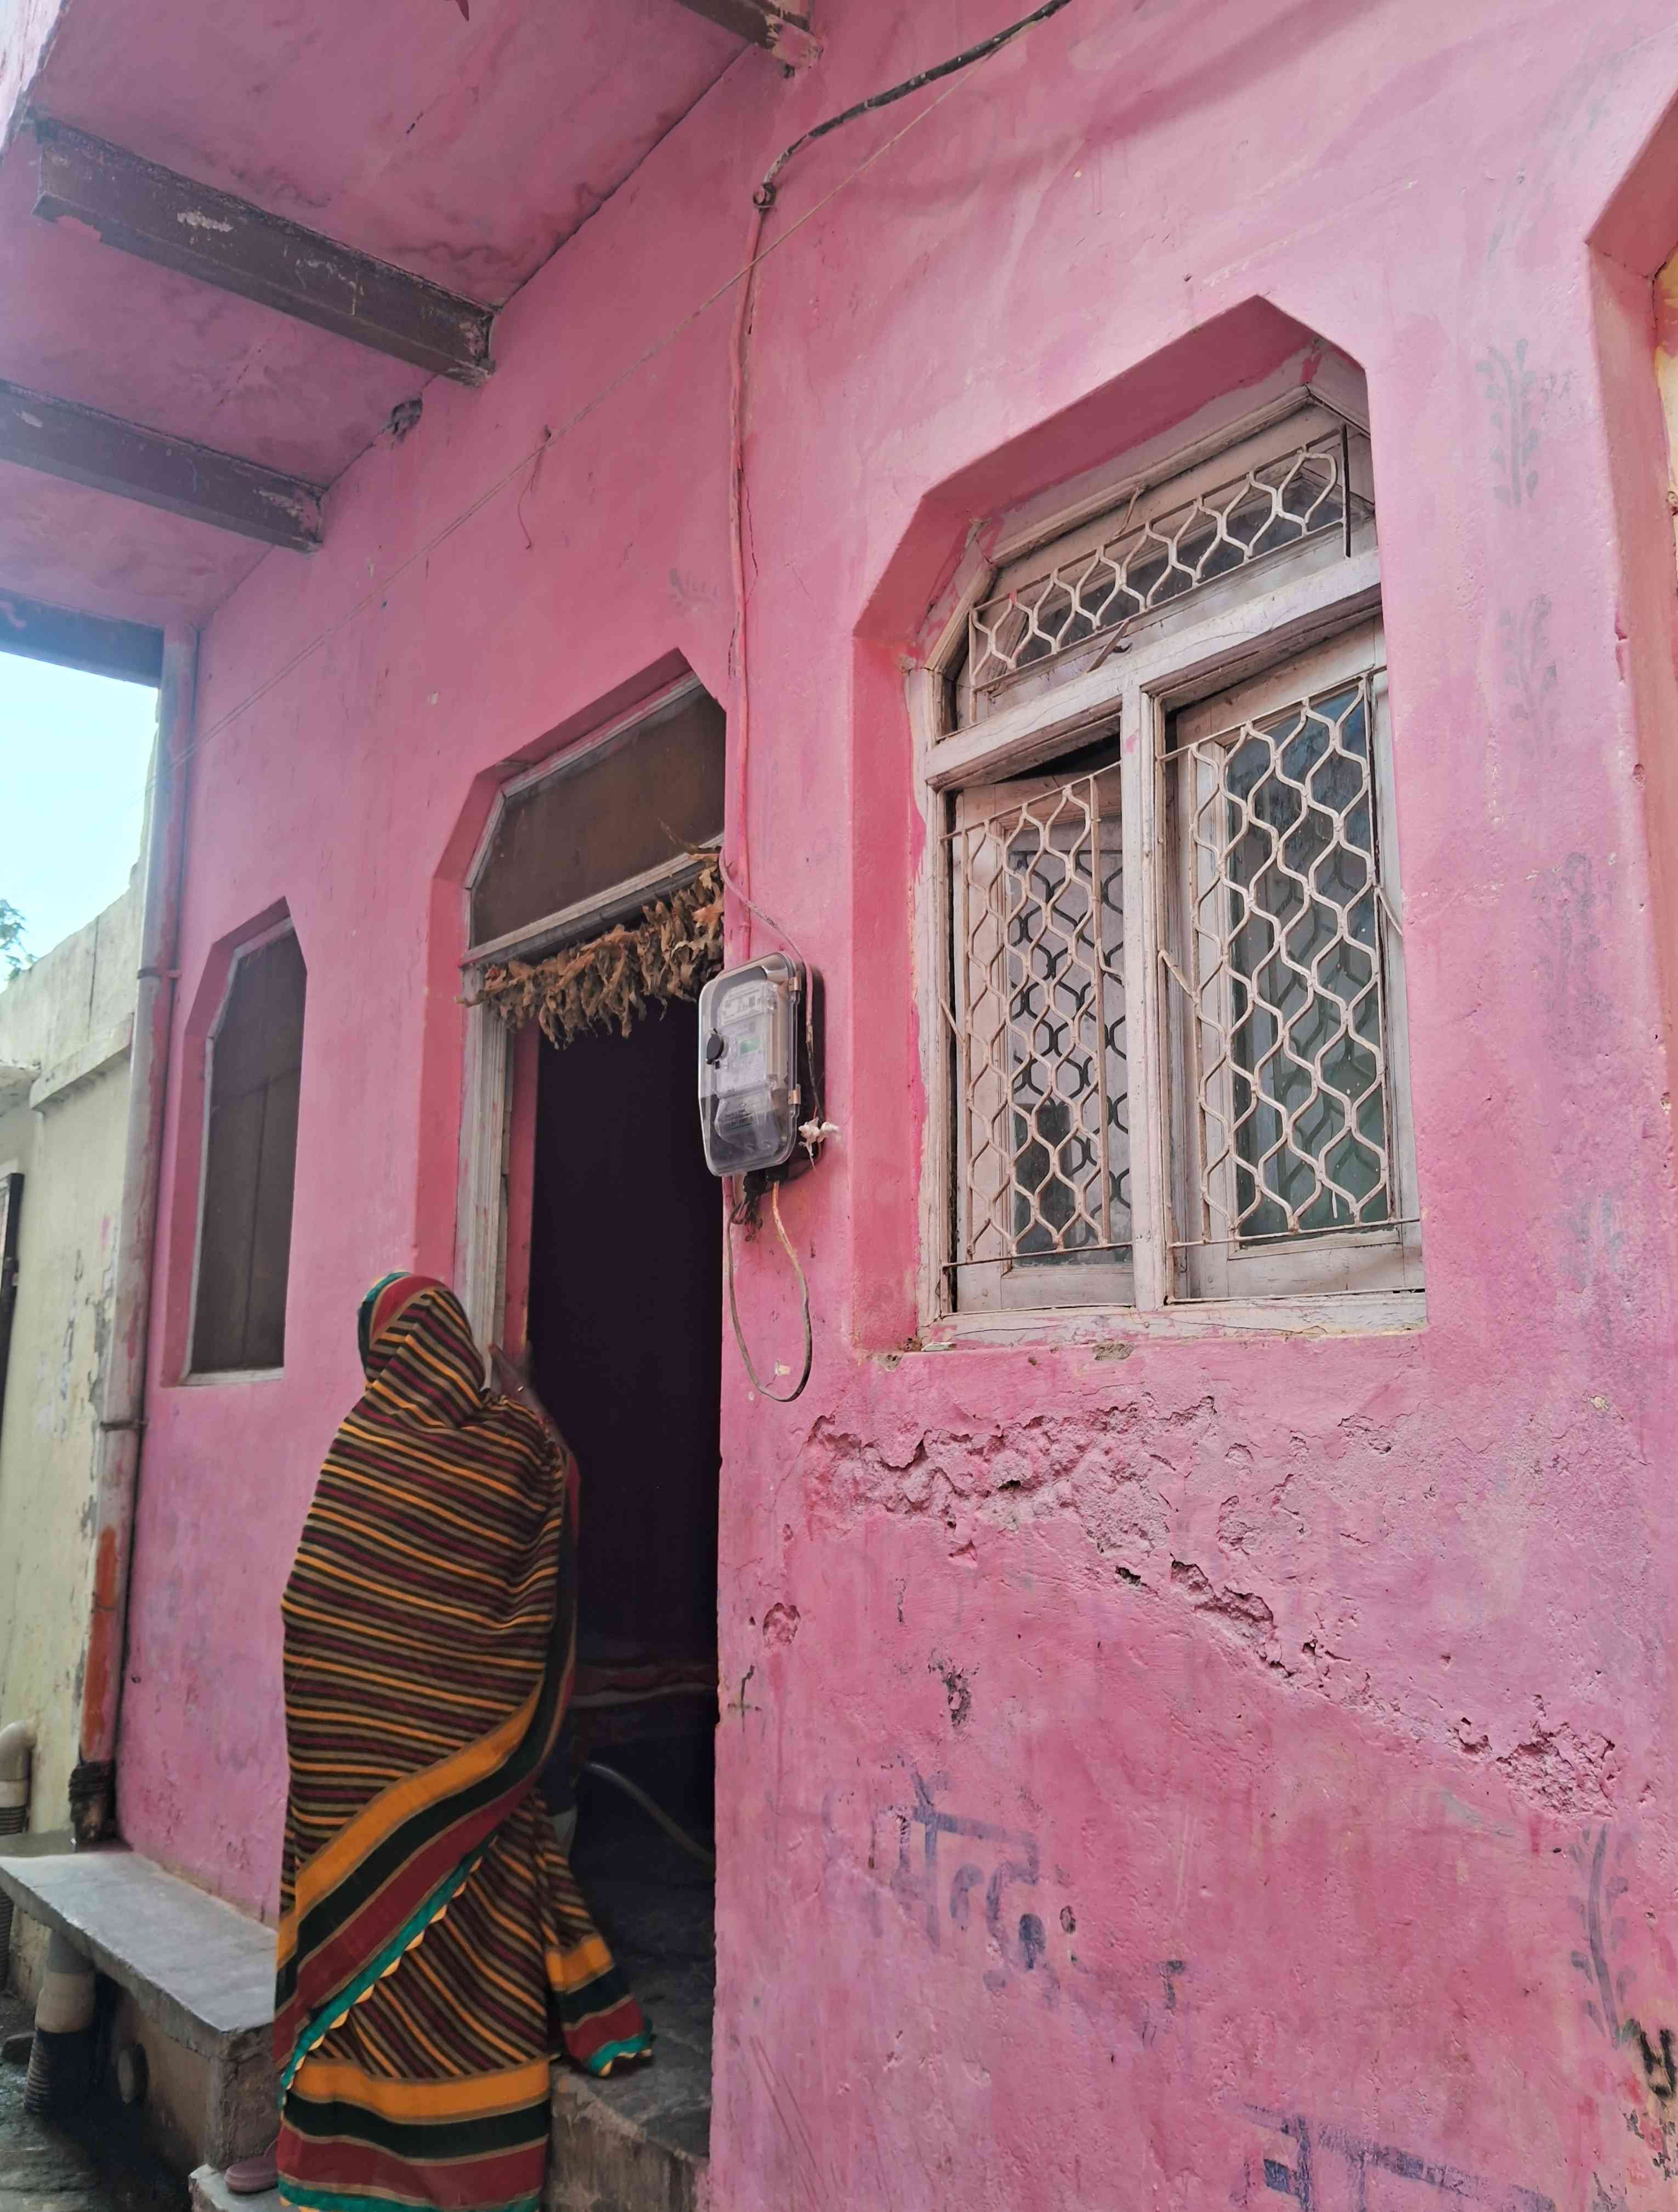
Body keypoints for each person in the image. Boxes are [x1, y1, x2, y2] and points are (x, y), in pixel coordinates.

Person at [265, 1272, 649, 2212]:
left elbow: (312, 1603)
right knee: (477, 1931)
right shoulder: (515, 1443)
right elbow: (565, 1488)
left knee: (362, 1958)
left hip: (347, 1771)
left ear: (381, 1354)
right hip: (463, 1771)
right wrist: (521, 1393)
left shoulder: (360, 1442)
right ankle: (468, 2167)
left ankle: (347, 2169)